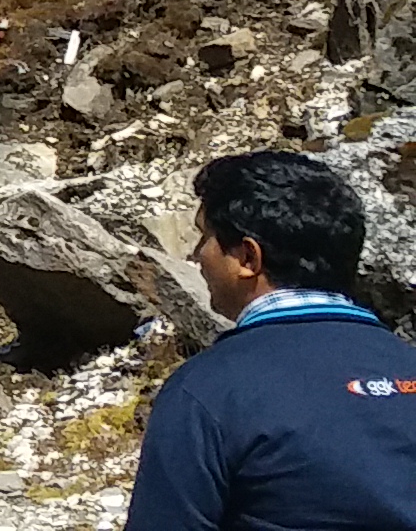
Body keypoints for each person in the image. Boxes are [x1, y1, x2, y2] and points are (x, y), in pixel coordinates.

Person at [127, 150, 416, 531]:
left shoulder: (207, 390)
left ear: (248, 257)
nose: (198, 255)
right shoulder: (405, 363)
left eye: (206, 236)